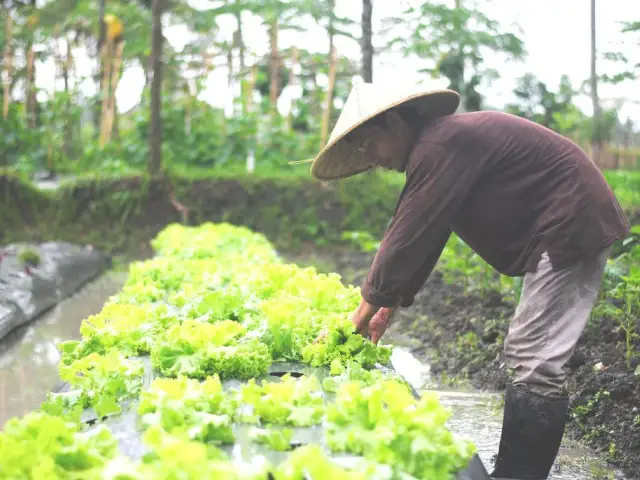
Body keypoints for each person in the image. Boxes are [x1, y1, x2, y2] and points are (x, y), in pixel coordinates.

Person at [303, 81, 630, 480]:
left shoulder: (440, 145)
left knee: (535, 357)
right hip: (566, 221)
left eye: (369, 145)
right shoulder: (440, 147)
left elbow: (407, 233)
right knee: (530, 353)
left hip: (571, 222)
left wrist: (359, 315)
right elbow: (427, 233)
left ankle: (517, 476)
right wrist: (387, 306)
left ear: (392, 123)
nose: (372, 159)